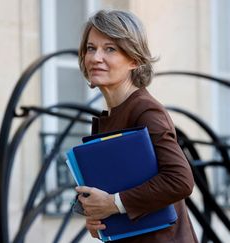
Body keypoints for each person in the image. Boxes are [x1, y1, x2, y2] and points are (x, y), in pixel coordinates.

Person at [74, 9, 198, 242]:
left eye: (109, 49)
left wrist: (113, 204)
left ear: (134, 59)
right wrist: (96, 215)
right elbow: (122, 185)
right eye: (91, 48)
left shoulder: (146, 111)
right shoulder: (112, 115)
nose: (95, 57)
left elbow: (180, 180)